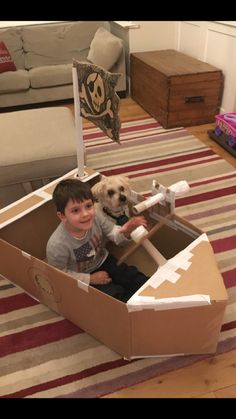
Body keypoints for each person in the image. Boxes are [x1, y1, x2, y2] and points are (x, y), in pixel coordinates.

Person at [46, 178, 149, 302]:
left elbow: (114, 234)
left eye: (88, 206)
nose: (85, 214)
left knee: (132, 276)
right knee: (114, 296)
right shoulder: (57, 244)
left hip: (103, 259)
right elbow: (60, 275)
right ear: (62, 216)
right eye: (75, 210)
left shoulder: (97, 217)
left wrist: (126, 231)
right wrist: (90, 279)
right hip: (82, 275)